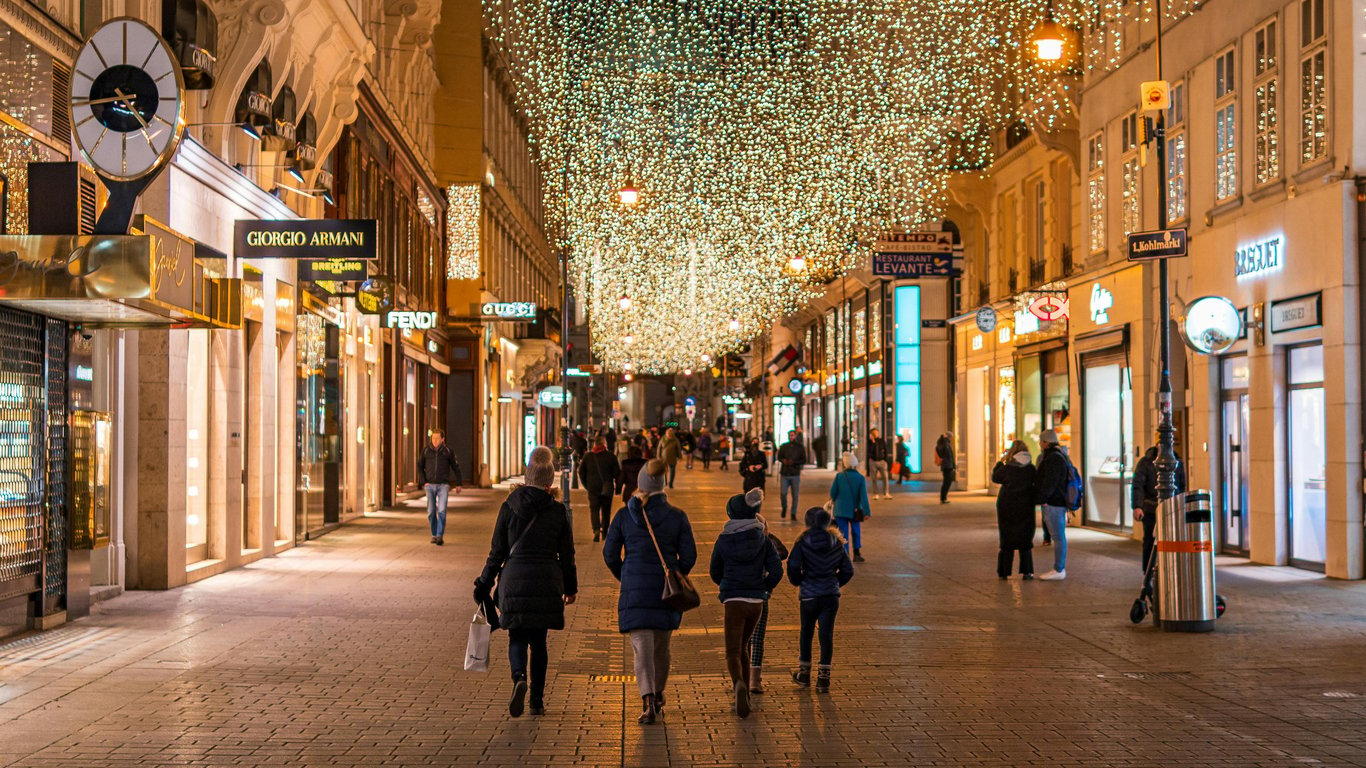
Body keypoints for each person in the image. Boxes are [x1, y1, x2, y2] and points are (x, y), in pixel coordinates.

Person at [473, 447, 577, 718]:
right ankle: (537, 702)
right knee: (539, 643)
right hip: (546, 582)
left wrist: (484, 582)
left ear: (527, 475)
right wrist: (571, 588)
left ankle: (518, 677)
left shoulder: (509, 506)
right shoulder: (557, 511)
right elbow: (567, 554)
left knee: (517, 636)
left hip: (514, 581)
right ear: (549, 480)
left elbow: (497, 551)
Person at [603, 460, 698, 725]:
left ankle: (646, 701)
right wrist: (675, 572)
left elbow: (609, 554)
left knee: (641, 648)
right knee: (662, 647)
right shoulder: (677, 516)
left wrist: (625, 574)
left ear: (641, 484)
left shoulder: (623, 516)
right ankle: (657, 694)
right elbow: (689, 555)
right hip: (666, 591)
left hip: (635, 588)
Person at [708, 489, 782, 719]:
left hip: (734, 601)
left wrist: (726, 584)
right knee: (745, 643)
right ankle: (747, 690)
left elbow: (714, 571)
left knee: (733, 649)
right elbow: (777, 569)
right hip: (756, 601)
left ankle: (739, 683)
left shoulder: (724, 539)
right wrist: (765, 587)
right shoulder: (763, 538)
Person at [787, 506, 854, 694]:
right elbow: (848, 570)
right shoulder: (837, 542)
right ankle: (824, 679)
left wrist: (799, 581)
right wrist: (835, 583)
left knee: (806, 632)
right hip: (830, 596)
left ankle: (804, 674)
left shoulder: (802, 542)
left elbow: (793, 566)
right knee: (826, 634)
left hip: (809, 595)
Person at [1131, 444, 1187, 576]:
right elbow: (1138, 485)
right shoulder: (1146, 462)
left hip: (1171, 508)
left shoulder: (1177, 462)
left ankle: (1169, 571)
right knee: (1150, 541)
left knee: (1171, 541)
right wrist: (1138, 507)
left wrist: (1181, 505)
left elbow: (1182, 486)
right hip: (1151, 509)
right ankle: (1148, 572)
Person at [992, 441, 1037, 580]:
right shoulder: (1030, 468)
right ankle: (1027, 571)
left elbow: (996, 478)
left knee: (1007, 538)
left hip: (1007, 505)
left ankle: (1004, 571)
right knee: (1025, 538)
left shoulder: (1008, 467)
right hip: (1026, 505)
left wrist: (1000, 462)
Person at [1035, 429, 1071, 580]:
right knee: (1057, 535)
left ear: (1045, 442)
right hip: (1055, 501)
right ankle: (1059, 568)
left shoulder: (1053, 458)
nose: (1039, 444)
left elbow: (1051, 481)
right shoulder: (1059, 455)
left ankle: (1059, 568)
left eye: (1041, 441)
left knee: (1058, 536)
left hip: (1054, 502)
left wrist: (1043, 497)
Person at [418, 429, 463, 546]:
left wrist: (459, 483)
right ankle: (434, 534)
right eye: (433, 438)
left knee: (442, 510)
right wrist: (424, 482)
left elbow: (455, 467)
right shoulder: (426, 451)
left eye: (437, 438)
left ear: (443, 439)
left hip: (443, 485)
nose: (435, 441)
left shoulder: (448, 451)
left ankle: (439, 536)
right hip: (429, 485)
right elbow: (419, 466)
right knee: (431, 511)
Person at [829, 452, 871, 563]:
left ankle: (845, 554)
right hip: (855, 510)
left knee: (843, 532)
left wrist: (834, 499)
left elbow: (833, 493)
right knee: (856, 531)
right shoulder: (860, 478)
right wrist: (867, 511)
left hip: (840, 510)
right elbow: (863, 496)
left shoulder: (839, 476)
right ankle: (857, 553)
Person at [578, 435, 621, 542]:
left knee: (594, 509)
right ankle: (605, 532)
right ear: (604, 444)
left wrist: (587, 485)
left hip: (592, 488)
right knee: (606, 511)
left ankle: (596, 530)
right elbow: (617, 473)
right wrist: (616, 484)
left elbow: (581, 472)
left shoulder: (588, 456)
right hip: (607, 488)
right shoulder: (610, 456)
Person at [775, 430, 807, 520]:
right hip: (785, 473)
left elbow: (803, 460)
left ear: (795, 436)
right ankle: (784, 507)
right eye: (790, 435)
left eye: (792, 435)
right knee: (783, 493)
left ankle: (793, 513)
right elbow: (779, 457)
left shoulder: (800, 447)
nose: (791, 437)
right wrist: (783, 460)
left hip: (795, 473)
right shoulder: (784, 446)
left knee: (795, 495)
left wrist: (794, 462)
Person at [866, 428, 892, 500]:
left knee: (885, 477)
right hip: (873, 461)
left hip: (882, 461)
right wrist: (873, 442)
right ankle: (875, 493)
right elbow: (869, 451)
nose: (875, 434)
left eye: (876, 433)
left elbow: (886, 450)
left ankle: (886, 493)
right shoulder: (870, 442)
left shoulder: (881, 441)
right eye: (873, 433)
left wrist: (886, 460)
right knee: (874, 478)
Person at [935, 432, 956, 503]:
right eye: (951, 437)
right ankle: (943, 498)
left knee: (947, 482)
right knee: (947, 482)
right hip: (947, 465)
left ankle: (943, 498)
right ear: (948, 437)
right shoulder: (945, 444)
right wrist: (953, 465)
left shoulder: (942, 443)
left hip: (946, 465)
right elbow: (950, 456)